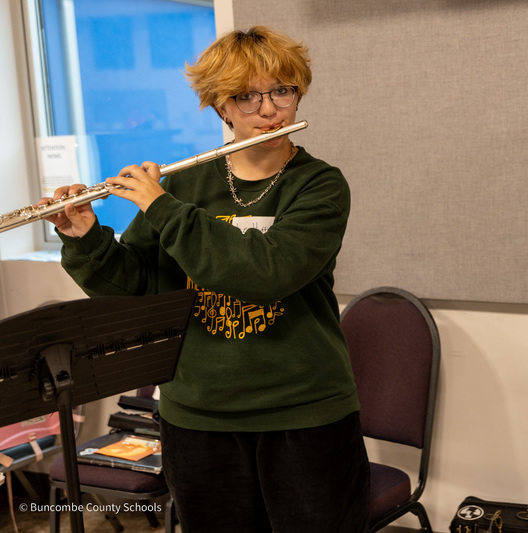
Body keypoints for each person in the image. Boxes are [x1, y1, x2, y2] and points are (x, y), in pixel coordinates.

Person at [43, 26, 370, 533]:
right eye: (247, 97)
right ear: (221, 107)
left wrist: (162, 207)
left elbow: (268, 272)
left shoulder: (321, 185)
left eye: (282, 91)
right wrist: (85, 235)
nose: (269, 110)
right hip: (198, 418)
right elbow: (138, 290)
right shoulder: (185, 184)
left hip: (305, 417)